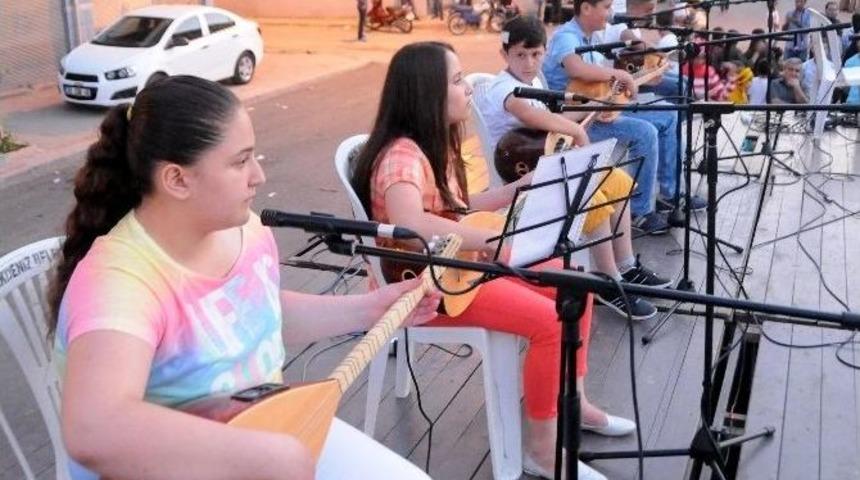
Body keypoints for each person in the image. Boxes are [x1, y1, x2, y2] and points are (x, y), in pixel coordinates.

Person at [49, 75, 443, 480]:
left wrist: (371, 308)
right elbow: (94, 430)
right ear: (177, 179)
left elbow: (260, 314)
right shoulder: (119, 280)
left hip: (261, 429)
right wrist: (260, 455)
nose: (258, 176)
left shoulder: (245, 229)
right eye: (240, 162)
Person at [351, 41, 638, 480]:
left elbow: (454, 207)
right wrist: (488, 239)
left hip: (457, 267)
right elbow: (411, 220)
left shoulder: (433, 146)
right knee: (548, 321)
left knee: (572, 282)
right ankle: (541, 452)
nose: (468, 89)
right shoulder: (401, 156)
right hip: (426, 288)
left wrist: (509, 195)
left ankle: (571, 401)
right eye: (456, 80)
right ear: (426, 92)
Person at [477, 15, 673, 319]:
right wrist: (579, 131)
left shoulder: (535, 80)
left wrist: (596, 108)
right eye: (520, 55)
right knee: (591, 193)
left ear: (544, 52)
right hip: (524, 176)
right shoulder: (504, 87)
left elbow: (554, 123)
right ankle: (608, 281)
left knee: (616, 178)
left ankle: (626, 266)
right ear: (505, 54)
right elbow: (528, 114)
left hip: (548, 162)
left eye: (536, 54)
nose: (529, 62)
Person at [542, 0, 707, 235]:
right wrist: (619, 75)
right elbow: (575, 68)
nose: (611, 13)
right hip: (577, 120)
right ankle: (639, 211)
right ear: (586, 8)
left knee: (669, 115)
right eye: (606, 7)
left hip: (600, 106)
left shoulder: (589, 37)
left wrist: (637, 80)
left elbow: (596, 84)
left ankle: (670, 195)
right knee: (645, 132)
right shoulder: (567, 36)